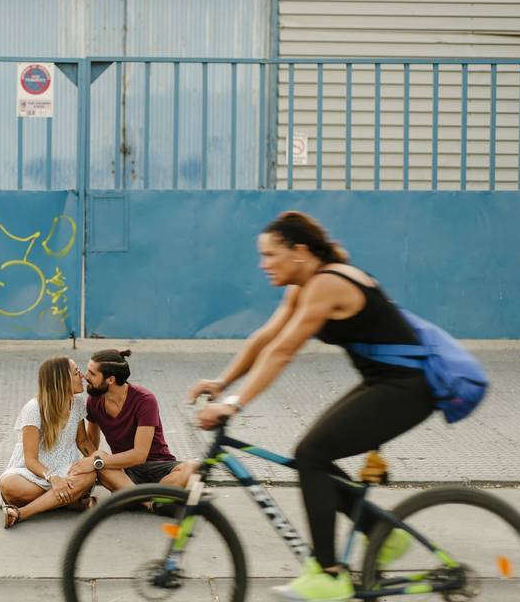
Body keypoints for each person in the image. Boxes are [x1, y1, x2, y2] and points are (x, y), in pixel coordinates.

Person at [188, 211, 432, 602]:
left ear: (299, 252)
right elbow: (265, 339)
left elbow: (283, 352)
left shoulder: (327, 284)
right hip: (384, 383)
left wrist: (232, 405)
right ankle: (383, 533)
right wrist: (222, 382)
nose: (262, 264)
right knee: (311, 457)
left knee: (312, 453)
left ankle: (329, 573)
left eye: (270, 255)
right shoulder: (303, 285)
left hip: (408, 388)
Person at [0, 356, 98, 528]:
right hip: (34, 473)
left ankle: (21, 513)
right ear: (62, 380)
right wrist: (53, 478)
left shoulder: (76, 403)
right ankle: (68, 501)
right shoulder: (33, 409)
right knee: (7, 485)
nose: (82, 376)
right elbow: (30, 460)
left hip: (66, 468)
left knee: (90, 475)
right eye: (76, 373)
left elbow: (82, 441)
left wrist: (98, 460)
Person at [68, 349, 196, 493]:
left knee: (191, 469)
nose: (85, 376)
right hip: (123, 471)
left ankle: (135, 495)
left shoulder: (145, 400)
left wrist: (96, 461)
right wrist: (93, 462)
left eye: (92, 373)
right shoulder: (94, 400)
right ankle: (153, 499)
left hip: (157, 465)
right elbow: (91, 441)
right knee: (98, 459)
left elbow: (139, 455)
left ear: (110, 379)